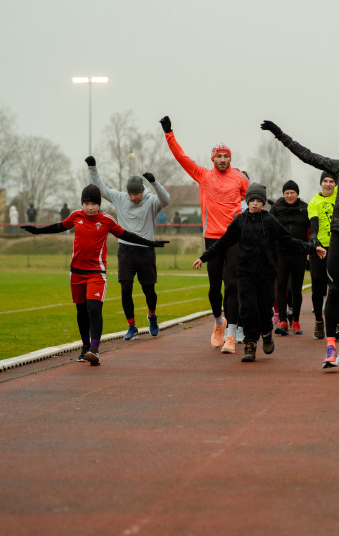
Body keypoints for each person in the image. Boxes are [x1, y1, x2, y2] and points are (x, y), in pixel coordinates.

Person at [261, 122, 339, 370]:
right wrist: (280, 135)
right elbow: (308, 155)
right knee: (335, 290)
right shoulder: (337, 166)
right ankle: (330, 348)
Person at [20, 184, 168, 366]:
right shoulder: (76, 216)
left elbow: (127, 235)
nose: (89, 207)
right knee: (81, 311)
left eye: (93, 204)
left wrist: (150, 243)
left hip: (96, 273)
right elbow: (59, 226)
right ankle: (85, 346)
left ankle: (95, 349)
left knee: (93, 308)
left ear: (99, 204)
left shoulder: (106, 221)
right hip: (76, 272)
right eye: (86, 203)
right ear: (82, 204)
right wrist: (37, 230)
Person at [192, 183, 326, 362]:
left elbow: (289, 241)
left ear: (263, 202)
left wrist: (312, 248)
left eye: (258, 200)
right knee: (247, 309)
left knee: (264, 309)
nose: (255, 204)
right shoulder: (239, 221)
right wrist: (204, 257)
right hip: (245, 272)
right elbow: (223, 242)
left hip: (266, 272)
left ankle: (266, 332)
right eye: (252, 200)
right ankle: (250, 344)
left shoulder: (270, 221)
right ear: (247, 202)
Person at [160, 115, 249, 354]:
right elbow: (181, 157)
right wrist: (169, 133)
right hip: (211, 237)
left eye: (226, 156)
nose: (222, 159)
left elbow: (254, 201)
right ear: (213, 158)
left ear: (231, 158)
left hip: (233, 238)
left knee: (232, 284)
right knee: (214, 287)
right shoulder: (202, 175)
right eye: (219, 156)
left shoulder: (240, 178)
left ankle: (231, 333)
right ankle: (219, 323)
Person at [85, 156, 170, 339]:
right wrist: (92, 167)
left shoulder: (151, 202)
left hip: (146, 251)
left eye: (137, 194)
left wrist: (154, 182)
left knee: (149, 290)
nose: (133, 198)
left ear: (142, 191)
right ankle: (131, 326)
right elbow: (102, 188)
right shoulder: (121, 198)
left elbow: (166, 200)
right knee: (125, 289)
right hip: (125, 251)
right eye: (131, 194)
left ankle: (152, 316)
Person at [307, 172, 339, 342]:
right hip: (320, 249)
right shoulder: (314, 202)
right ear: (321, 183)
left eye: (331, 181)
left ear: (335, 184)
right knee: (318, 286)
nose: (328, 184)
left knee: (337, 287)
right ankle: (318, 321)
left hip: (338, 247)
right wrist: (314, 239)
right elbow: (313, 224)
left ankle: (335, 323)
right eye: (325, 181)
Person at [270, 180, 309, 335]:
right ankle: (283, 321)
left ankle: (296, 321)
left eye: (292, 192)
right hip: (281, 253)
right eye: (286, 193)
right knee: (281, 287)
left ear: (297, 194)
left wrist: (309, 248)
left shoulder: (305, 208)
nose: (289, 195)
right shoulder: (276, 208)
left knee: (296, 288)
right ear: (283, 194)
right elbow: (269, 228)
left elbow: (311, 228)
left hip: (299, 253)